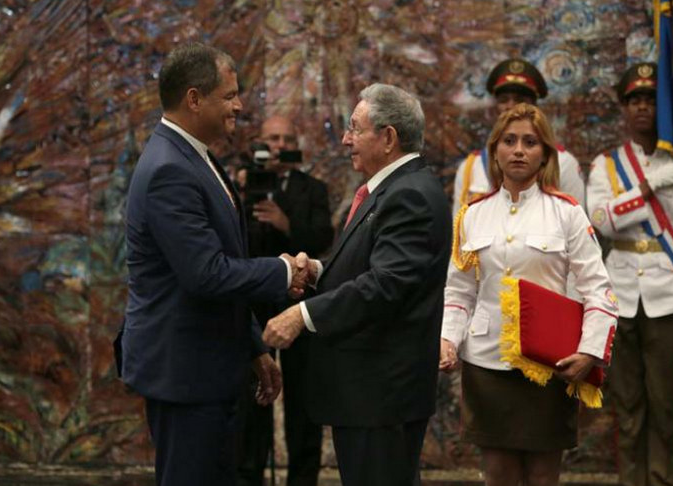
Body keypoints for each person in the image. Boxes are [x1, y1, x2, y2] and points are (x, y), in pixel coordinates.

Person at [120, 43, 309, 486]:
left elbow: (220, 271)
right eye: (229, 95)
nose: (239, 105)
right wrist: (283, 270)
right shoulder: (171, 169)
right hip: (186, 376)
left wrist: (254, 348)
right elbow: (205, 274)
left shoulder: (194, 155)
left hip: (212, 369)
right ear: (193, 99)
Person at [262, 83, 452, 486]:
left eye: (354, 128)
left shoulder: (410, 195)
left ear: (387, 138)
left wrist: (302, 313)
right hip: (369, 393)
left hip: (382, 394)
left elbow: (386, 286)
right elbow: (369, 266)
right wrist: (315, 270)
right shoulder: (389, 188)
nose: (345, 139)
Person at [440, 103, 618, 486]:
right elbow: (459, 291)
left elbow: (598, 291)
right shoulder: (472, 214)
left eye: (530, 142)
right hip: (487, 364)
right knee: (498, 474)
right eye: (509, 141)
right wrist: (448, 340)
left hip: (547, 364)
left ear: (545, 155)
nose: (519, 150)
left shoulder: (566, 213)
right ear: (495, 150)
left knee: (541, 475)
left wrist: (589, 352)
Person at [586, 63, 673, 486]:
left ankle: (661, 479)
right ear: (624, 108)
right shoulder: (607, 164)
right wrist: (648, 187)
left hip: (667, 290)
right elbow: (601, 220)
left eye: (649, 100)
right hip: (621, 290)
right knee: (627, 403)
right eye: (633, 100)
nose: (642, 107)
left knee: (664, 401)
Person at [236, 116, 333, 486]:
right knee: (253, 399)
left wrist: (286, 224)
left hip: (300, 307)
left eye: (286, 139)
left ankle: (302, 478)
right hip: (256, 306)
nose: (278, 146)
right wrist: (246, 189)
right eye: (272, 139)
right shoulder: (245, 187)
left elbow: (323, 237)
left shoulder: (313, 189)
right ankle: (249, 475)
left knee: (303, 401)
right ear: (259, 144)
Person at [452, 58, 586, 217]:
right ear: (496, 107)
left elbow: (576, 225)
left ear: (535, 106)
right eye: (503, 100)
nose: (510, 106)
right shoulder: (470, 168)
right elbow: (460, 234)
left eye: (519, 100)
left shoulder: (562, 162)